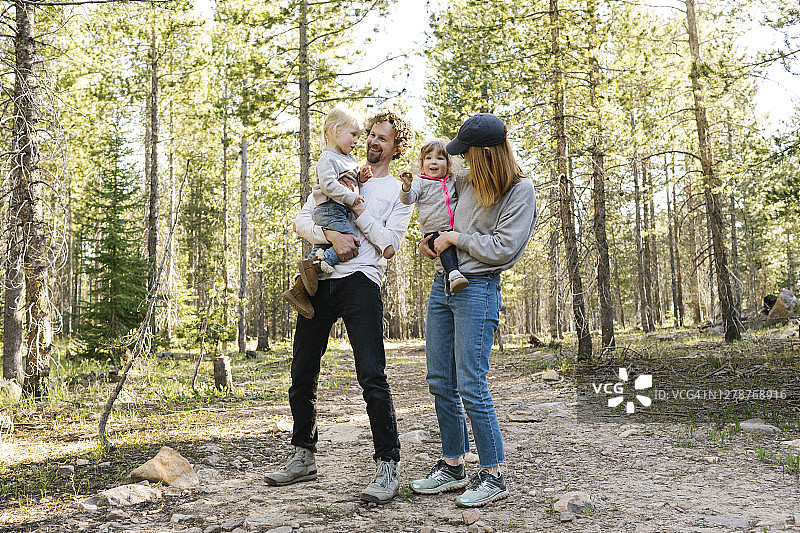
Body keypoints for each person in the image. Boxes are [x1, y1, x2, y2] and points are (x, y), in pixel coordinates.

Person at [265, 109, 415, 505]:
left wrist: (359, 213)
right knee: (302, 372)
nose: (373, 142)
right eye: (371, 135)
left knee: (371, 374)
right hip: (321, 279)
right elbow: (301, 219)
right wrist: (329, 232)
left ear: (396, 148)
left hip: (362, 282)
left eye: (383, 138)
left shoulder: (398, 194)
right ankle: (303, 455)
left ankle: (387, 463)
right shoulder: (341, 169)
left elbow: (389, 244)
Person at [410, 113, 536, 508]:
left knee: (471, 383)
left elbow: (504, 248)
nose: (460, 162)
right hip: (441, 285)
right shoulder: (464, 180)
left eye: (467, 154)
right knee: (439, 379)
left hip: (478, 289)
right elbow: (433, 198)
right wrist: (431, 240)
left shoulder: (519, 190)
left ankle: (494, 472)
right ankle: (453, 464)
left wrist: (455, 238)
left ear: (485, 152)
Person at [283, 104, 373, 319]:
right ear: (334, 131)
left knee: (324, 248)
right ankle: (312, 267)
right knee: (350, 242)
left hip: (338, 211)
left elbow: (349, 180)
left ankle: (299, 290)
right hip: (330, 210)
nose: (356, 141)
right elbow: (328, 186)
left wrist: (360, 178)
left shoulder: (347, 159)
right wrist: (351, 197)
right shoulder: (328, 158)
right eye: (353, 135)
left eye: (359, 136)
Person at [399, 139, 468, 293]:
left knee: (463, 253)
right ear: (422, 163)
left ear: (448, 164)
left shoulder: (452, 181)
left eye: (440, 158)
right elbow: (407, 199)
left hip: (454, 230)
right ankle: (454, 275)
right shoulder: (420, 182)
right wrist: (406, 186)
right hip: (433, 232)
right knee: (445, 251)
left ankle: (485, 292)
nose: (433, 162)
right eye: (428, 158)